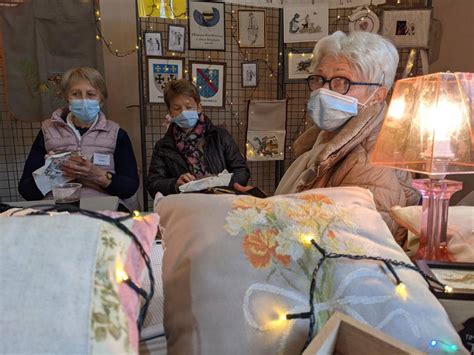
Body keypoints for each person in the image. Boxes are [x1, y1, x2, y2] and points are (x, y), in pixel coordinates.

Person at [237, 31, 419, 245]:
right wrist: (262, 204)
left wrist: (263, 215)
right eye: (319, 79)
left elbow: (347, 244)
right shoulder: (327, 138)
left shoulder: (370, 158)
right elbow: (310, 210)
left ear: (378, 94)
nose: (324, 91)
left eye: (341, 82)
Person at [18, 67, 139, 211]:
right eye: (76, 94)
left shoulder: (116, 133)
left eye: (91, 94)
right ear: (67, 98)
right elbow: (26, 191)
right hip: (57, 209)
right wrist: (53, 172)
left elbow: (130, 188)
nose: (83, 100)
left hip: (103, 208)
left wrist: (97, 175)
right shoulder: (48, 131)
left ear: (101, 99)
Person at [147, 79, 250, 197]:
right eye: (176, 108)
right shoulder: (163, 146)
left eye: (189, 106)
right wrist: (175, 184)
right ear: (169, 112)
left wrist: (222, 185)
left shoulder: (220, 136)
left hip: (222, 204)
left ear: (199, 107)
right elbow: (153, 184)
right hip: (185, 209)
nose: (184, 112)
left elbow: (242, 170)